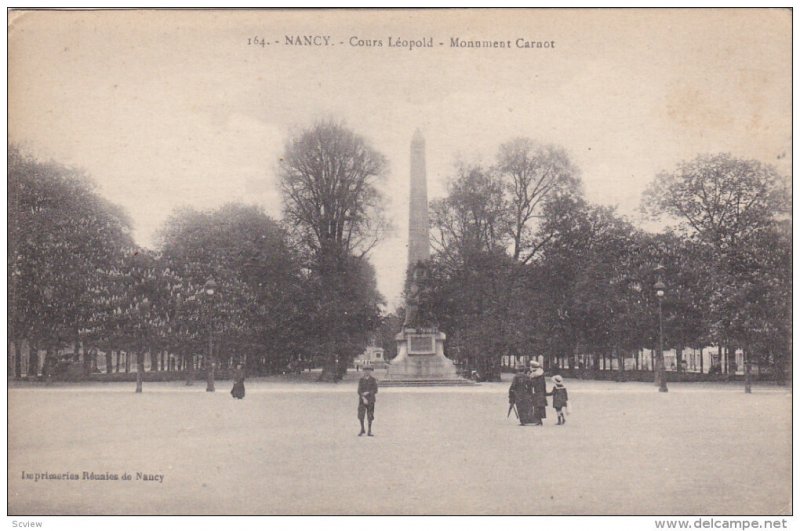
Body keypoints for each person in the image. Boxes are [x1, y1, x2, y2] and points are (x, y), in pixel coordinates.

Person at [357, 365, 378, 436]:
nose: (367, 372)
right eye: (365, 370)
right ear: (363, 371)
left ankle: (369, 430)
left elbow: (375, 390)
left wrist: (368, 392)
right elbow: (359, 390)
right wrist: (363, 398)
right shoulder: (361, 380)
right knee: (361, 415)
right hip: (362, 400)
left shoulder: (373, 380)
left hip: (371, 399)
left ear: (370, 371)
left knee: (370, 415)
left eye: (368, 370)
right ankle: (362, 429)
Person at [529, 361, 547, 425]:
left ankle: (538, 420)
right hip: (541, 392)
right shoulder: (541, 374)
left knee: (537, 406)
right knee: (540, 406)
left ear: (533, 367)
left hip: (537, 392)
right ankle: (539, 420)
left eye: (530, 366)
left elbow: (532, 384)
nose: (530, 368)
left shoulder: (534, 375)